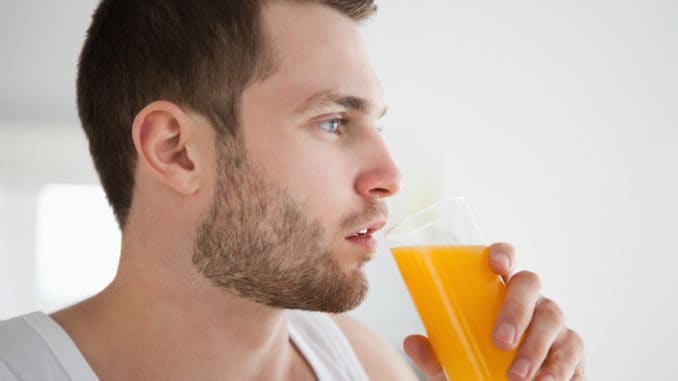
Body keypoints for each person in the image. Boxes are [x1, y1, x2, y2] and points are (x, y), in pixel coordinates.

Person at [0, 0, 585, 380]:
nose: (390, 174)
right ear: (176, 150)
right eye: (333, 121)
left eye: (374, 124)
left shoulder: (369, 368)